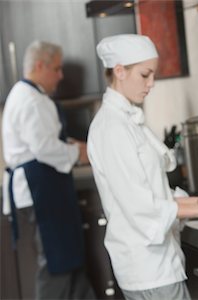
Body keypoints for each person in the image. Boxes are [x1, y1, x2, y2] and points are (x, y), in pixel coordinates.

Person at [87, 34, 198, 300]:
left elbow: (152, 191)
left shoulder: (128, 120)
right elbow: (142, 208)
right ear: (120, 71)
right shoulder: (112, 129)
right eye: (145, 74)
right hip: (147, 267)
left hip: (155, 265)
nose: (151, 83)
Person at [2, 41, 95, 299]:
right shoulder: (30, 100)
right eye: (57, 68)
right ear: (40, 65)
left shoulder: (29, 95)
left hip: (46, 188)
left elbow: (44, 140)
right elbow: (44, 148)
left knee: (71, 262)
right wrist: (79, 153)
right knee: (58, 265)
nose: (61, 75)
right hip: (41, 190)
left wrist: (73, 145)